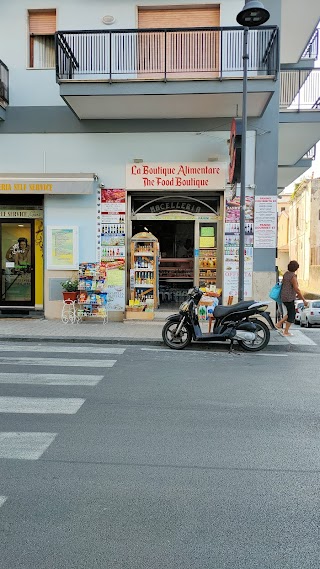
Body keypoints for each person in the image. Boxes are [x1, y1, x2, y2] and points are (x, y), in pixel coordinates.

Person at [276, 260, 307, 336]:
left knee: (290, 312)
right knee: (292, 314)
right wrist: (303, 300)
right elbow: (296, 289)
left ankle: (279, 324)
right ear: (296, 268)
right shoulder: (293, 276)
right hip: (289, 297)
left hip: (284, 296)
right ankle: (286, 331)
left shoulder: (286, 274)